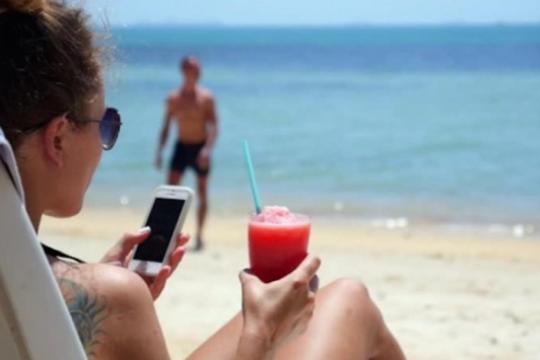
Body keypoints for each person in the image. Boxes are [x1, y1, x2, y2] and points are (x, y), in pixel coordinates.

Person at [0, 1, 405, 359]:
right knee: (351, 298)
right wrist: (259, 331)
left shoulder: (55, 284)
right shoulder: (111, 296)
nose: (108, 140)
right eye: (106, 124)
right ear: (57, 138)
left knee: (347, 296)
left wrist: (101, 282)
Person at [156, 56, 217, 251]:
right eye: (192, 68)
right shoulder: (173, 98)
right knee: (171, 193)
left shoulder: (206, 98)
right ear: (184, 71)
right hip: (181, 147)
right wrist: (159, 151)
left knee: (202, 193)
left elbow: (214, 126)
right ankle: (168, 233)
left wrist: (207, 150)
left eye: (197, 69)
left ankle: (199, 235)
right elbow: (166, 127)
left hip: (200, 148)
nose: (195, 72)